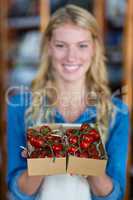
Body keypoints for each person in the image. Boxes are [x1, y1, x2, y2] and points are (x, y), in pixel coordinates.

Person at [7, 4, 129, 200]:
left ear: (94, 48)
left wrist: (89, 165)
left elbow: (113, 195)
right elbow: (18, 191)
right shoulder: (19, 107)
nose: (71, 57)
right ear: (48, 47)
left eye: (82, 45)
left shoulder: (118, 113)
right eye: (61, 45)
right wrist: (40, 163)